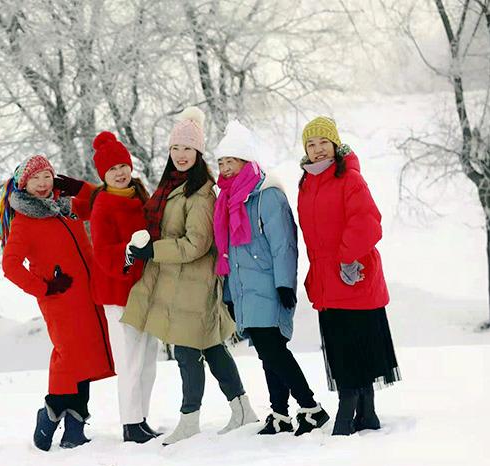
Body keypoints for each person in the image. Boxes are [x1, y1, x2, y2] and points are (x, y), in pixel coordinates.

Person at [122, 107, 258, 446]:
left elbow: (197, 244)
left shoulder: (200, 193)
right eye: (175, 149)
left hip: (194, 281)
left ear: (198, 153)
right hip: (180, 282)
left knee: (186, 351)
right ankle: (242, 410)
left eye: (188, 149)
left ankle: (189, 420)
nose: (181, 155)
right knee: (211, 347)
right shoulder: (172, 186)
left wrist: (153, 250)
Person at [213, 120, 329, 436]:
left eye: (231, 161)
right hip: (245, 290)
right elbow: (229, 256)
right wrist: (229, 295)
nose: (224, 168)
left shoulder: (266, 196)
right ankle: (280, 413)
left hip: (269, 286)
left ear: (246, 161)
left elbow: (284, 245)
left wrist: (284, 284)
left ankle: (311, 407)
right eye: (221, 162)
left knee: (273, 351)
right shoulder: (225, 200)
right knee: (268, 353)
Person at [0, 155, 115, 451]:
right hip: (60, 300)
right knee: (70, 357)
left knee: (86, 357)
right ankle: (49, 415)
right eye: (35, 178)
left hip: (89, 295)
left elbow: (102, 205)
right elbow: (10, 265)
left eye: (47, 176)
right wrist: (44, 287)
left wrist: (82, 187)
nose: (42, 183)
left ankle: (75, 428)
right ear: (24, 184)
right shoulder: (24, 221)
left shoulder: (68, 207)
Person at [297, 117, 401, 435]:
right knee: (342, 346)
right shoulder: (306, 183)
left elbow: (368, 222)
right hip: (327, 282)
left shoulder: (350, 178)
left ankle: (350, 409)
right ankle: (366, 414)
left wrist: (346, 258)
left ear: (334, 145)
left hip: (353, 275)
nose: (317, 150)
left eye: (322, 143)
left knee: (355, 346)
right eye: (310, 144)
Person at [88, 131, 161, 443]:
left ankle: (142, 418)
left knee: (148, 360)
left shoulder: (140, 197)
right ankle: (131, 424)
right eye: (111, 170)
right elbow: (103, 253)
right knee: (129, 360)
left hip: (147, 290)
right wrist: (129, 252)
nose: (119, 173)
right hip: (119, 295)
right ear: (103, 176)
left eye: (123, 166)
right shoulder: (103, 203)